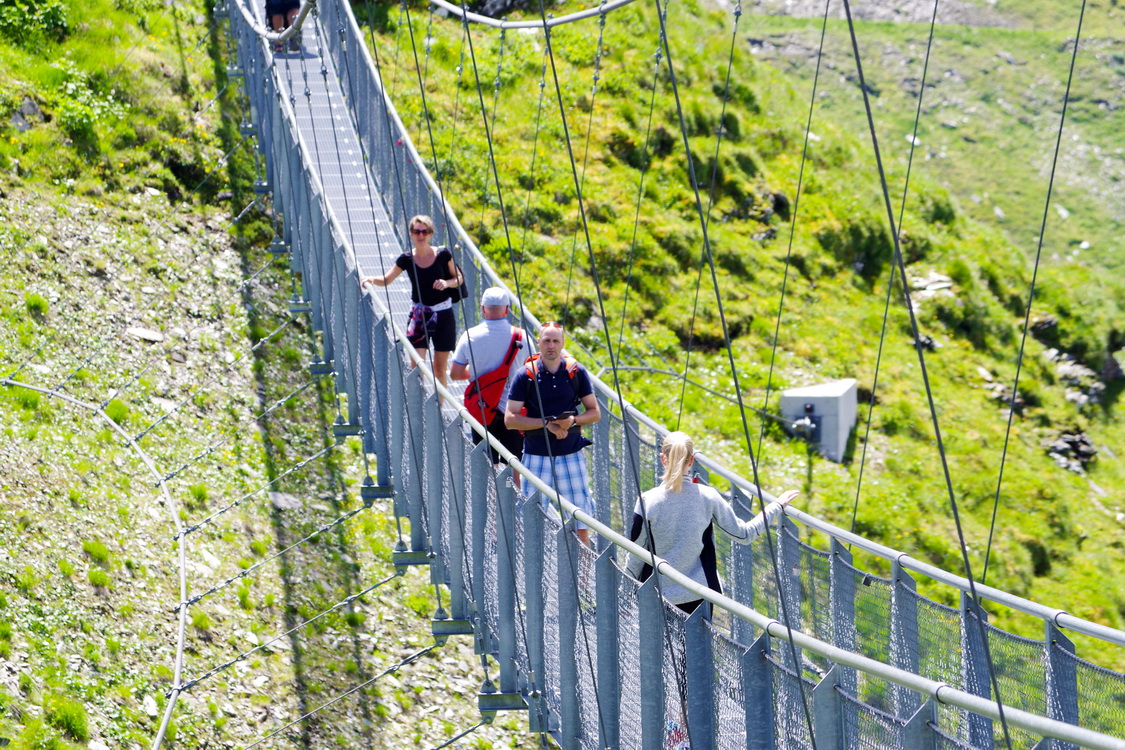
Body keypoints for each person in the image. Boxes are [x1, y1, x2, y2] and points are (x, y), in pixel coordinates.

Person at [624, 431, 798, 616]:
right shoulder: (708, 497)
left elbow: (635, 555)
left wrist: (625, 594)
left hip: (655, 595)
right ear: (691, 461)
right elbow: (744, 534)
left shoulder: (647, 501)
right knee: (695, 646)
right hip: (699, 596)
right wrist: (776, 506)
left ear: (662, 459)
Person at [504, 322, 600, 547]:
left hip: (571, 453)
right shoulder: (525, 375)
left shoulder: (575, 372)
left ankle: (583, 582)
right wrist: (547, 424)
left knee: (581, 524)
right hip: (537, 456)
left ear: (563, 344)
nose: (551, 345)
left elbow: (595, 413)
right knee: (529, 523)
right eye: (546, 340)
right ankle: (529, 577)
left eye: (556, 341)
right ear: (538, 343)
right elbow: (510, 419)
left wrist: (572, 421)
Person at [361, 215, 462, 388]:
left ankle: (438, 409)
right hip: (419, 316)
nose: (421, 236)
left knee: (439, 368)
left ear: (431, 234)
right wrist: (370, 279)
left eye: (425, 231)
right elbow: (387, 280)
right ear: (411, 234)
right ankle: (419, 408)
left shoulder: (443, 254)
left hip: (444, 316)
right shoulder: (406, 259)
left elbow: (459, 278)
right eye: (416, 232)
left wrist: (446, 283)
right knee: (416, 367)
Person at [449, 287, 526, 469]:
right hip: (513, 410)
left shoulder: (470, 336)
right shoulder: (522, 337)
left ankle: (491, 497)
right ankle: (512, 494)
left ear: (483, 309)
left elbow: (455, 373)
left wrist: (480, 375)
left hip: (482, 408)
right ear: (507, 309)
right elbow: (530, 371)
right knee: (513, 464)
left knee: (488, 464)